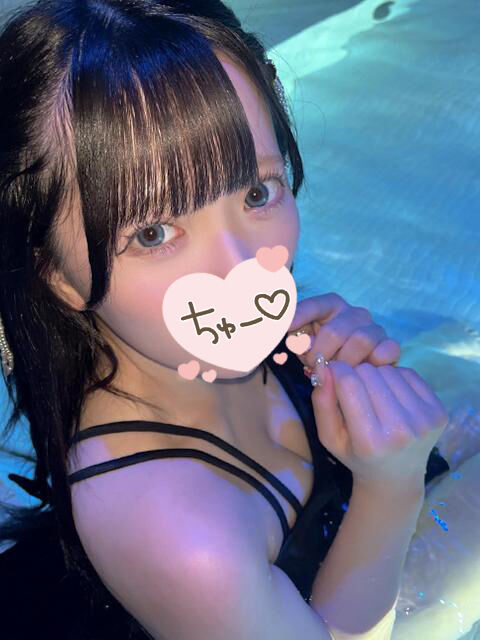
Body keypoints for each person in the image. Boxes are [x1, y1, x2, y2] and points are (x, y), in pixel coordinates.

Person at [0, 1, 450, 639]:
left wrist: (360, 379)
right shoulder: (177, 530)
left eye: (257, 193)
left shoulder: (233, 338)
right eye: (154, 233)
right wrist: (392, 486)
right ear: (60, 277)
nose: (241, 268)